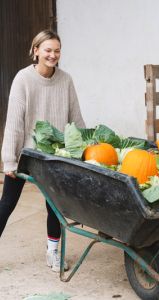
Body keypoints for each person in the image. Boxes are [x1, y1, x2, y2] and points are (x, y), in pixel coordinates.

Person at [0, 29, 85, 272]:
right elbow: (14, 123)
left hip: (55, 156)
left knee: (54, 206)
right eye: (48, 50)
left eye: (57, 51)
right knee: (7, 203)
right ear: (36, 51)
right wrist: (9, 161)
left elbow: (76, 118)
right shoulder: (23, 79)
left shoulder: (66, 80)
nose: (53, 55)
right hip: (28, 155)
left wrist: (86, 149)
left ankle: (53, 252)